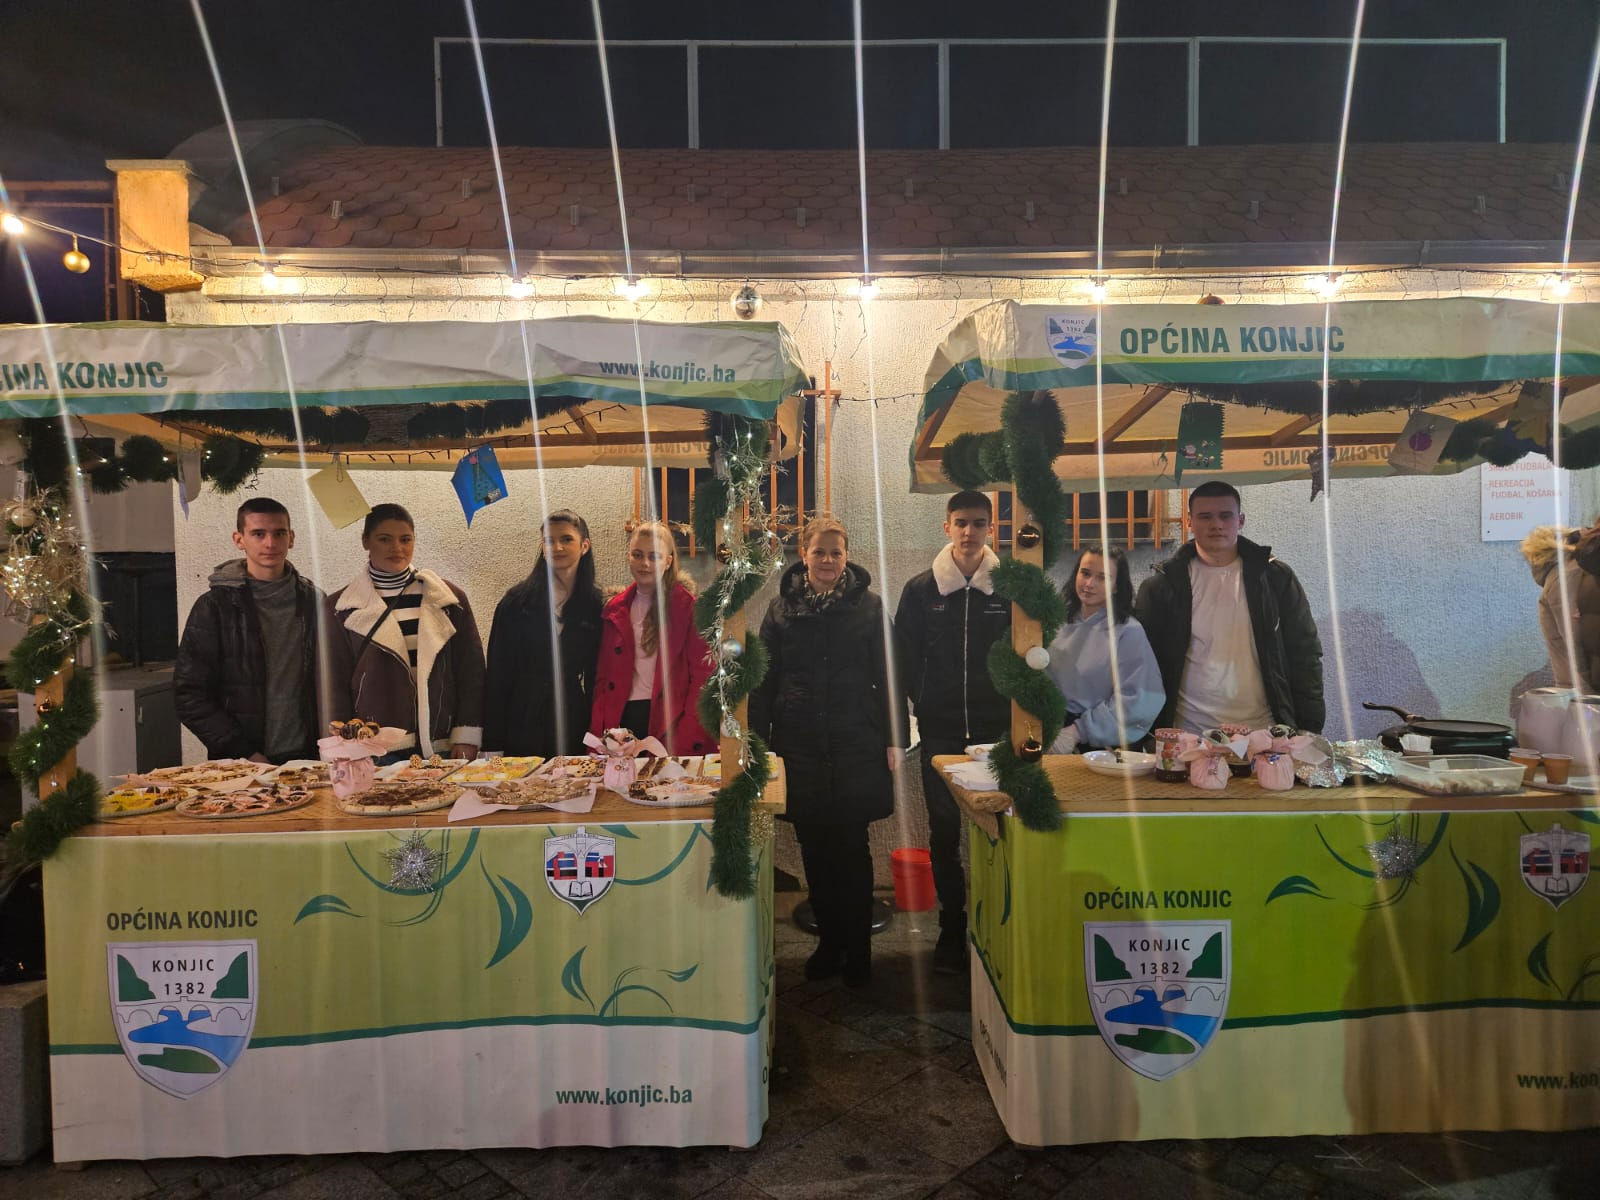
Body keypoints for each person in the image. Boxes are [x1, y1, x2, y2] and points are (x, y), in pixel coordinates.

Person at [750, 516, 909, 988]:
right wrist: (758, 744)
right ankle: (829, 943)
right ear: (804, 553)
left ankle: (858, 950)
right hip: (798, 743)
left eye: (835, 552)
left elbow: (890, 675)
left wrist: (896, 738)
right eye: (819, 551)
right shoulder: (780, 609)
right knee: (814, 848)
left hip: (856, 741)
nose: (827, 560)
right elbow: (764, 681)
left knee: (852, 849)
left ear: (846, 556)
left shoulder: (871, 608)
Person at [893, 490, 1010, 975]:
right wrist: (919, 702)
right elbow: (902, 659)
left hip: (994, 731)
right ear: (946, 527)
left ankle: (1000, 918)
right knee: (944, 832)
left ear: (991, 529)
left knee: (1000, 827)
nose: (969, 532)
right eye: (961, 522)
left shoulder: (1009, 588)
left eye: (978, 523)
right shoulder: (921, 590)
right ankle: (951, 924)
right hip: (939, 731)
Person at [1134, 480, 1325, 733]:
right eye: (1205, 516)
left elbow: (1305, 653)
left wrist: (1310, 728)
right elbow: (1141, 665)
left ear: (1240, 520)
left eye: (1225, 515)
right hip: (1186, 734)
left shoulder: (1275, 579)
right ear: (1189, 522)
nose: (1216, 524)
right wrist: (1144, 732)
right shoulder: (1161, 587)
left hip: (1265, 731)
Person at [324, 504, 485, 759]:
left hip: (443, 745)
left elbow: (471, 673)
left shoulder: (449, 599)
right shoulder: (339, 608)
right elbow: (333, 683)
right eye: (384, 539)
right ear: (365, 541)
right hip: (373, 749)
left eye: (405, 539)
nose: (396, 548)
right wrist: (344, 747)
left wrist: (467, 735)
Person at [175, 497, 322, 763]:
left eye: (279, 533)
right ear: (239, 539)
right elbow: (190, 694)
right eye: (258, 534)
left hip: (308, 758)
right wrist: (243, 752)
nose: (270, 543)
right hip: (241, 763)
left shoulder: (315, 602)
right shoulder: (215, 607)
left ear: (291, 538)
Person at [483, 510, 604, 756]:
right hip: (521, 719)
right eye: (549, 540)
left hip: (573, 720)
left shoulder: (595, 605)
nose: (557, 547)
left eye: (566, 539)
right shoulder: (515, 603)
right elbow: (497, 675)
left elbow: (597, 677)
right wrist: (492, 744)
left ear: (584, 546)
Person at [589, 521, 716, 753]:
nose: (645, 563)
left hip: (671, 722)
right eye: (637, 555)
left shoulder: (690, 609)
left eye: (653, 556)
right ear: (628, 557)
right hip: (622, 724)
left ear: (668, 561)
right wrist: (601, 732)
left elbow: (703, 679)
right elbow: (603, 680)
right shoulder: (614, 609)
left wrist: (685, 737)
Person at [1046, 545, 1164, 751]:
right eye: (1085, 573)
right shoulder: (1055, 622)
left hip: (1098, 743)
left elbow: (1139, 700)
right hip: (1050, 732)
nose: (1089, 583)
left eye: (1102, 578)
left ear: (1117, 586)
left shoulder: (1128, 632)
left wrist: (1077, 731)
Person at [1524, 524, 1598, 690]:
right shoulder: (1578, 569)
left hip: (1579, 687)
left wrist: (1589, 690)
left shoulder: (1561, 578)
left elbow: (1575, 638)